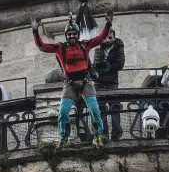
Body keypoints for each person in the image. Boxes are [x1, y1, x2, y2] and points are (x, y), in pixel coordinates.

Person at [32, 11, 113, 148]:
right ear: (66, 36)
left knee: (94, 109)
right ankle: (64, 137)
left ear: (78, 34)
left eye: (74, 34)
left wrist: (108, 23)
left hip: (86, 82)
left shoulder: (84, 45)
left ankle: (98, 135)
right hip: (69, 84)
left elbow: (100, 38)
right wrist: (35, 31)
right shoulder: (60, 47)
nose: (72, 36)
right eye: (69, 34)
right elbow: (42, 46)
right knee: (63, 113)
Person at [93, 29, 126, 140]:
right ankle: (103, 134)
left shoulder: (118, 49)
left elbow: (120, 64)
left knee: (114, 107)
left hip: (112, 81)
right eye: (106, 37)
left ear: (114, 38)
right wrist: (101, 67)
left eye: (110, 37)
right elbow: (95, 65)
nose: (107, 39)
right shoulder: (99, 50)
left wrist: (107, 67)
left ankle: (116, 133)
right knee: (101, 108)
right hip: (100, 82)